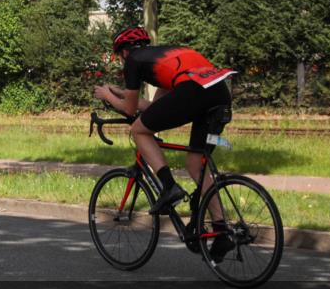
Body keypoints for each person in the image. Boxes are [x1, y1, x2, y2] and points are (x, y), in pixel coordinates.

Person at [94, 26, 237, 261]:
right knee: (195, 165)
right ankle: (221, 230)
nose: (121, 61)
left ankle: (169, 186)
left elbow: (131, 111)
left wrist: (107, 96)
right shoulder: (167, 58)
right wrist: (120, 93)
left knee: (139, 130)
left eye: (119, 57)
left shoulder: (133, 60)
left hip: (195, 93)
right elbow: (153, 108)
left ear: (124, 52)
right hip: (219, 94)